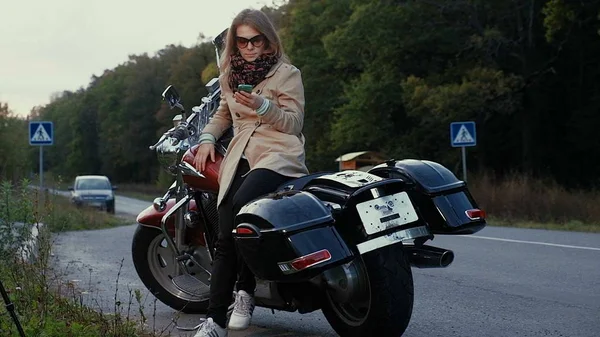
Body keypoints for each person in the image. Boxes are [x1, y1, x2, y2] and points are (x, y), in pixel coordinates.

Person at [192, 8, 309, 337]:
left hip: (278, 153)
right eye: (242, 41)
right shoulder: (229, 71)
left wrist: (262, 106)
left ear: (268, 39)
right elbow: (223, 113)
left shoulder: (287, 73)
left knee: (244, 206)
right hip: (241, 154)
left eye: (256, 40)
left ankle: (244, 290)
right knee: (225, 227)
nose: (250, 47)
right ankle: (215, 321)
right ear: (234, 43)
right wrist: (206, 139)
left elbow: (294, 123)